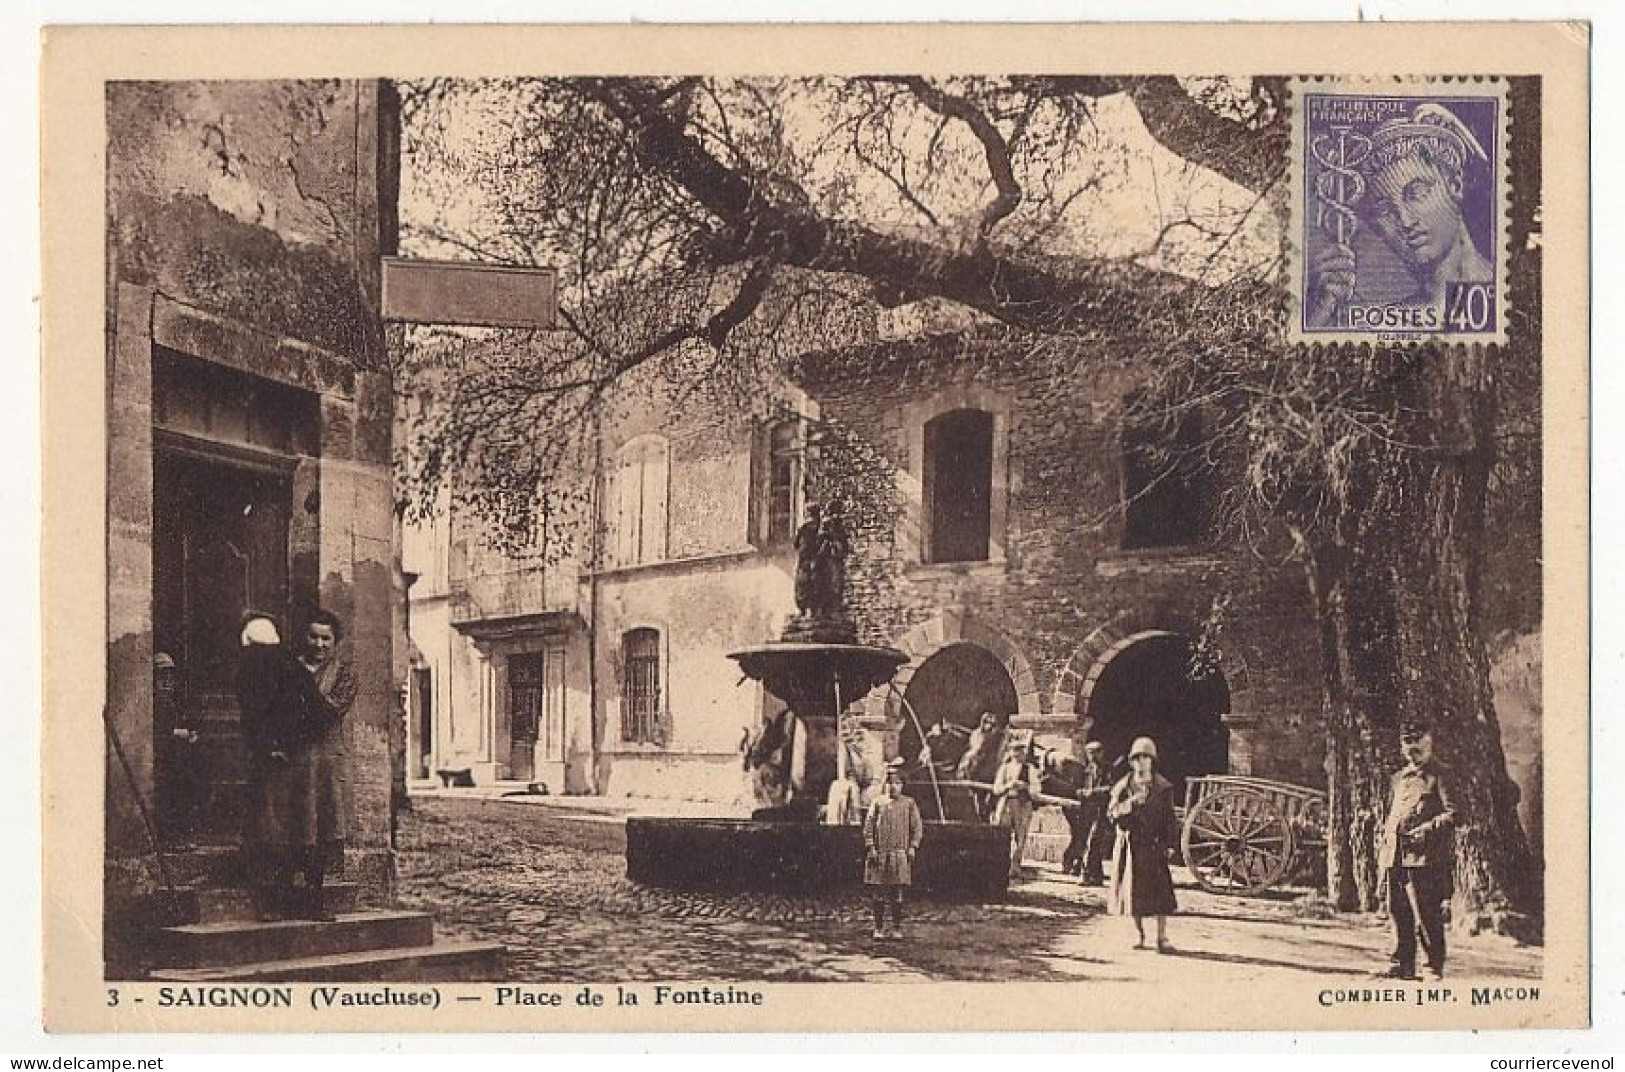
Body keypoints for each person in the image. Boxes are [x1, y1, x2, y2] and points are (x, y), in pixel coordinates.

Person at [1308, 101, 1493, 327]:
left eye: (1416, 193)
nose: (1405, 221)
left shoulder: (1514, 292)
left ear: (1455, 185)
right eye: (1385, 210)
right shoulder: (1378, 324)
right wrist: (1321, 310)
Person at [239, 609, 357, 920]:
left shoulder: (343, 674)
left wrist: (288, 719)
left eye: (326, 639)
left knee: (317, 826)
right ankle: (278, 899)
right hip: (287, 762)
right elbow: (265, 707)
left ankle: (314, 899)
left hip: (322, 761)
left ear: (335, 642)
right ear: (304, 637)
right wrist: (272, 742)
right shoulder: (284, 667)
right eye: (313, 636)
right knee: (285, 826)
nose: (319, 644)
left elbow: (328, 713)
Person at [1377, 726, 1457, 981]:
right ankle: (1402, 964)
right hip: (1395, 854)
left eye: (1418, 748)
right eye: (1407, 748)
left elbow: (1455, 814)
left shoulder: (1441, 775)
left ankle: (1432, 966)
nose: (1412, 755)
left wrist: (1425, 830)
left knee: (1425, 912)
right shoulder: (1398, 778)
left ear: (1429, 744)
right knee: (1397, 910)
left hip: (1424, 857)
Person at [1108, 736, 1179, 952]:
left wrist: (1170, 844)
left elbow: (1170, 818)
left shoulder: (1163, 787)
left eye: (1145, 758)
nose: (1141, 762)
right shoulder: (1123, 786)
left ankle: (1162, 937)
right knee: (1132, 892)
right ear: (1131, 762)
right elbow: (1111, 814)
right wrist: (1129, 804)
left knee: (1160, 893)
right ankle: (1139, 935)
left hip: (1154, 846)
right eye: (1137, 758)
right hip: (1130, 847)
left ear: (1152, 761)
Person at [863, 758, 923, 941]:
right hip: (880, 853)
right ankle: (878, 927)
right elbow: (868, 827)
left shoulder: (909, 804)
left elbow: (917, 828)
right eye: (889, 782)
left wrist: (912, 847)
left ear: (903, 785)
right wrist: (871, 847)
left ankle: (896, 928)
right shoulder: (878, 803)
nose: (893, 787)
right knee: (878, 891)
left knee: (897, 892)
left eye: (897, 783)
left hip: (899, 854)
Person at [1063, 741, 1114, 885]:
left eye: (1095, 752)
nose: (1092, 756)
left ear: (1101, 753)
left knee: (1093, 841)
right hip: (1087, 811)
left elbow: (1111, 788)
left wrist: (1093, 792)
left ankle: (1085, 875)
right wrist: (1079, 792)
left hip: (1102, 810)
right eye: (1090, 753)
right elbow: (1079, 787)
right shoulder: (1087, 771)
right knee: (1089, 841)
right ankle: (1097, 876)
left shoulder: (1108, 769)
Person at [990, 740, 1042, 881]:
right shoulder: (1004, 768)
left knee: (1021, 836)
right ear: (1010, 752)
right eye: (1015, 751)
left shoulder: (1030, 769)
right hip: (1006, 802)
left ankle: (1015, 867)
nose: (1018, 754)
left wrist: (1024, 786)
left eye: (1020, 751)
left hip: (1023, 804)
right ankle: (1000, 864)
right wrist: (1008, 785)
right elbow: (996, 789)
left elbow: (1036, 790)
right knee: (1002, 833)